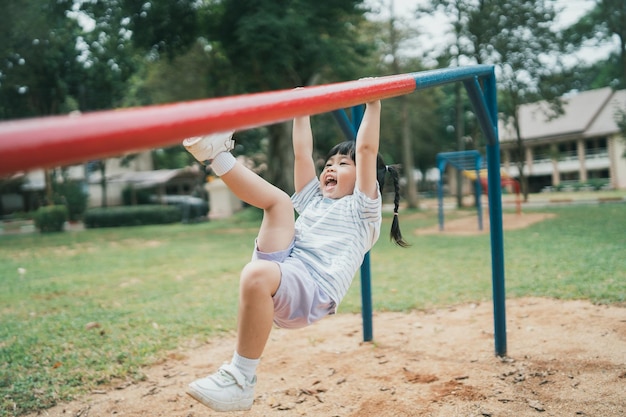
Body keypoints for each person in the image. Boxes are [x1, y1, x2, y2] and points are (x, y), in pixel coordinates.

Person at [182, 99, 407, 412]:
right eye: (329, 163)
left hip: (313, 289)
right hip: (288, 266)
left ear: (367, 180)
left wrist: (374, 103)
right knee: (279, 204)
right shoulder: (314, 200)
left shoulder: (363, 209)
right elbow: (302, 152)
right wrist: (300, 109)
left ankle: (240, 379)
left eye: (344, 164)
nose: (331, 167)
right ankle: (216, 155)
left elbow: (367, 150)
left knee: (254, 274)